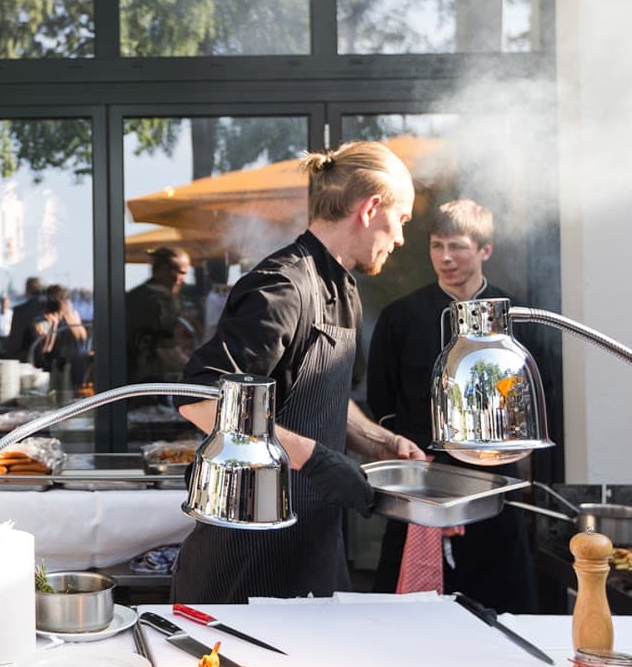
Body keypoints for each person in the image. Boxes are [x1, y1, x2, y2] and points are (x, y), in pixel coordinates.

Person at [172, 141, 428, 602]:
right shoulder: (282, 286)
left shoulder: (344, 287)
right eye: (403, 220)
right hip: (248, 556)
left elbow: (316, 395)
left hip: (314, 546)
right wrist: (317, 458)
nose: (402, 237)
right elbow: (200, 399)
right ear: (371, 209)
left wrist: (377, 441)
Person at [368, 199, 539, 611]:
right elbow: (381, 401)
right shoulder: (400, 317)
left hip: (493, 487)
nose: (445, 258)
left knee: (503, 608)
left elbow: (536, 395)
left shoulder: (517, 317)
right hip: (421, 486)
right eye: (436, 246)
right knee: (405, 616)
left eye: (457, 246)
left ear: (485, 250)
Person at [126, 246, 192, 382]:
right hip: (146, 385)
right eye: (181, 273)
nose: (183, 280)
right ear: (163, 270)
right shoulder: (159, 301)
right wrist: (195, 369)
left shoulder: (135, 295)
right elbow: (166, 349)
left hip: (129, 380)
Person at [31, 284, 89, 392]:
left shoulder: (72, 316)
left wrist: (68, 319)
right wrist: (54, 324)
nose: (62, 303)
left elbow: (83, 337)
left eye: (63, 299)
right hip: (57, 367)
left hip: (72, 365)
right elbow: (45, 349)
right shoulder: (45, 319)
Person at [1, 276, 45, 362]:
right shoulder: (52, 309)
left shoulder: (20, 311)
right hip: (52, 360)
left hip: (28, 358)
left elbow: (15, 341)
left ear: (27, 290)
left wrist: (8, 356)